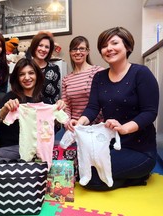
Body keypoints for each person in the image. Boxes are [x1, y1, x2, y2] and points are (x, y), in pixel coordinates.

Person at [67, 27, 159, 191]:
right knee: (81, 174)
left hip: (140, 149)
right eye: (104, 45)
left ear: (128, 47)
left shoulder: (141, 73)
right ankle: (127, 176)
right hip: (110, 144)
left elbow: (150, 112)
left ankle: (139, 176)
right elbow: (93, 107)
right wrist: (79, 123)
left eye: (114, 43)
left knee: (94, 179)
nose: (108, 48)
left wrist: (124, 128)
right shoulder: (99, 77)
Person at [0, 58, 66, 162]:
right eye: (22, 74)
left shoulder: (45, 102)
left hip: (39, 149)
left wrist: (58, 109)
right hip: (13, 149)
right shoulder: (11, 98)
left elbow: (53, 129)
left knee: (63, 153)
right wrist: (5, 109)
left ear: (37, 76)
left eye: (31, 73)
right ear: (17, 78)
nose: (27, 77)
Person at [62, 36, 104, 128]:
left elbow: (103, 103)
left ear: (87, 51)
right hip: (73, 126)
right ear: (70, 52)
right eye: (74, 49)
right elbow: (66, 106)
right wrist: (67, 123)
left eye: (82, 49)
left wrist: (86, 124)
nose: (78, 52)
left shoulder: (98, 72)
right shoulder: (66, 79)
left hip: (95, 127)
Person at [28, 32, 61, 104]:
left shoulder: (54, 69)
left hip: (46, 110)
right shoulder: (25, 66)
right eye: (40, 45)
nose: (43, 49)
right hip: (25, 109)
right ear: (34, 46)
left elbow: (55, 97)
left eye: (47, 47)